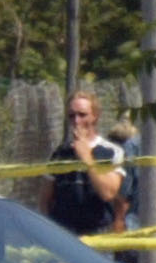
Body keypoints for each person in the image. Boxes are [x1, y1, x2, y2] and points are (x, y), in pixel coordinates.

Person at [43, 92, 125, 240]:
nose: (76, 121)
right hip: (64, 234)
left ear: (95, 116)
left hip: (97, 234)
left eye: (82, 115)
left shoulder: (111, 151)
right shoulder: (60, 153)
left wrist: (86, 157)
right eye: (71, 116)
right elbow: (45, 199)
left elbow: (108, 193)